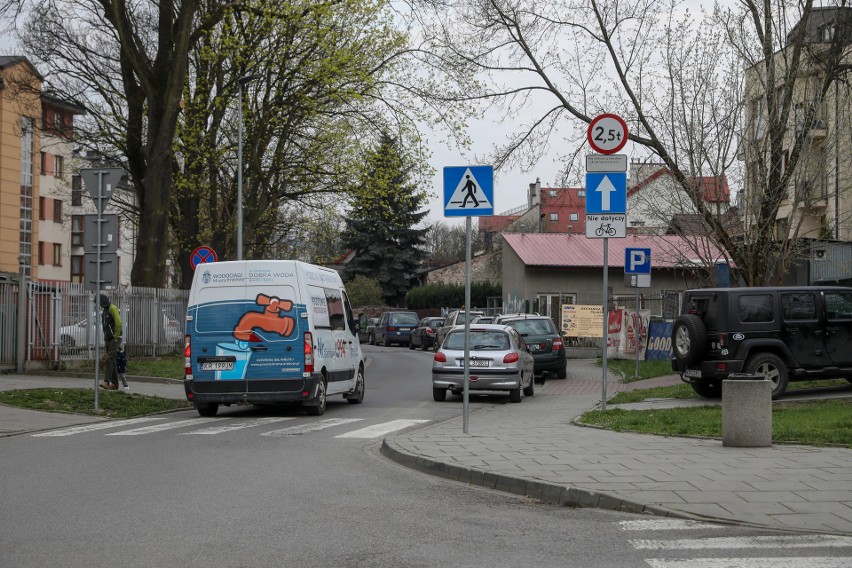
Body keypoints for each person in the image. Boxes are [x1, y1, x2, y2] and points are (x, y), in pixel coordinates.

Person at [98, 294, 123, 390]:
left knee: (109, 359)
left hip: (114, 338)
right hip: (108, 338)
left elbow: (118, 322)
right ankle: (115, 385)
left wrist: (116, 336)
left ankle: (107, 381)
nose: (99, 305)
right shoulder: (104, 311)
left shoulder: (112, 308)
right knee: (111, 360)